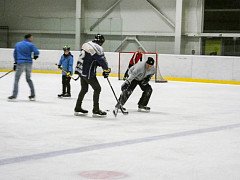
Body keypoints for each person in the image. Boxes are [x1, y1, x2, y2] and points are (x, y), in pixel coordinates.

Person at [74, 34, 111, 117]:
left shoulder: (86, 44)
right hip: (88, 73)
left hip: (81, 71)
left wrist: (102, 66)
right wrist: (106, 69)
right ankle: (96, 109)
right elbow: (101, 60)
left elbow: (91, 58)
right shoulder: (97, 47)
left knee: (84, 89)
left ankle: (77, 107)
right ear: (101, 42)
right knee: (97, 88)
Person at [8, 34, 39, 101]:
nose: (32, 39)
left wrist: (15, 63)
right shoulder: (31, 45)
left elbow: (15, 54)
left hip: (20, 63)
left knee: (16, 80)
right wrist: (35, 56)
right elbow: (37, 52)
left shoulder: (18, 44)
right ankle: (32, 95)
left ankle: (14, 95)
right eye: (31, 38)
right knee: (28, 79)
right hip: (29, 63)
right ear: (29, 38)